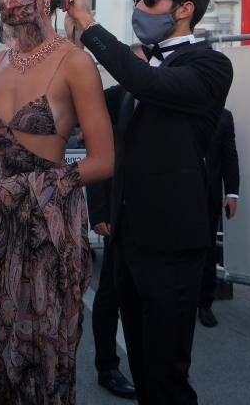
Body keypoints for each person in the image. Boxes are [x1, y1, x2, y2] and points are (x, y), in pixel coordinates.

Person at [0, 0, 114, 403]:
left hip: (44, 222)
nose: (7, 0)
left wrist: (41, 185)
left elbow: (102, 160)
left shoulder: (75, 63)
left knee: (40, 348)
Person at [64, 0, 233, 404]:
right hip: (128, 240)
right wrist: (67, 44)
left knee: (166, 374)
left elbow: (147, 80)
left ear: (184, 9)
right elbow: (82, 102)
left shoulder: (210, 65)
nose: (140, 7)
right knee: (141, 365)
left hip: (173, 244)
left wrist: (89, 24)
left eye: (151, 0)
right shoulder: (139, 77)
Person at [84, 43, 145, 400]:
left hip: (152, 216)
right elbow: (97, 154)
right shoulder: (111, 98)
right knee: (110, 296)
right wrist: (100, 213)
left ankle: (148, 368)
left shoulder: (161, 94)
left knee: (146, 298)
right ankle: (107, 366)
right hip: (117, 218)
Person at [198, 107, 240, 328]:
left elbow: (229, 154)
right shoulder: (177, 109)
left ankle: (205, 304)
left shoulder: (223, 116)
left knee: (207, 250)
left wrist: (232, 193)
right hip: (177, 196)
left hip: (209, 196)